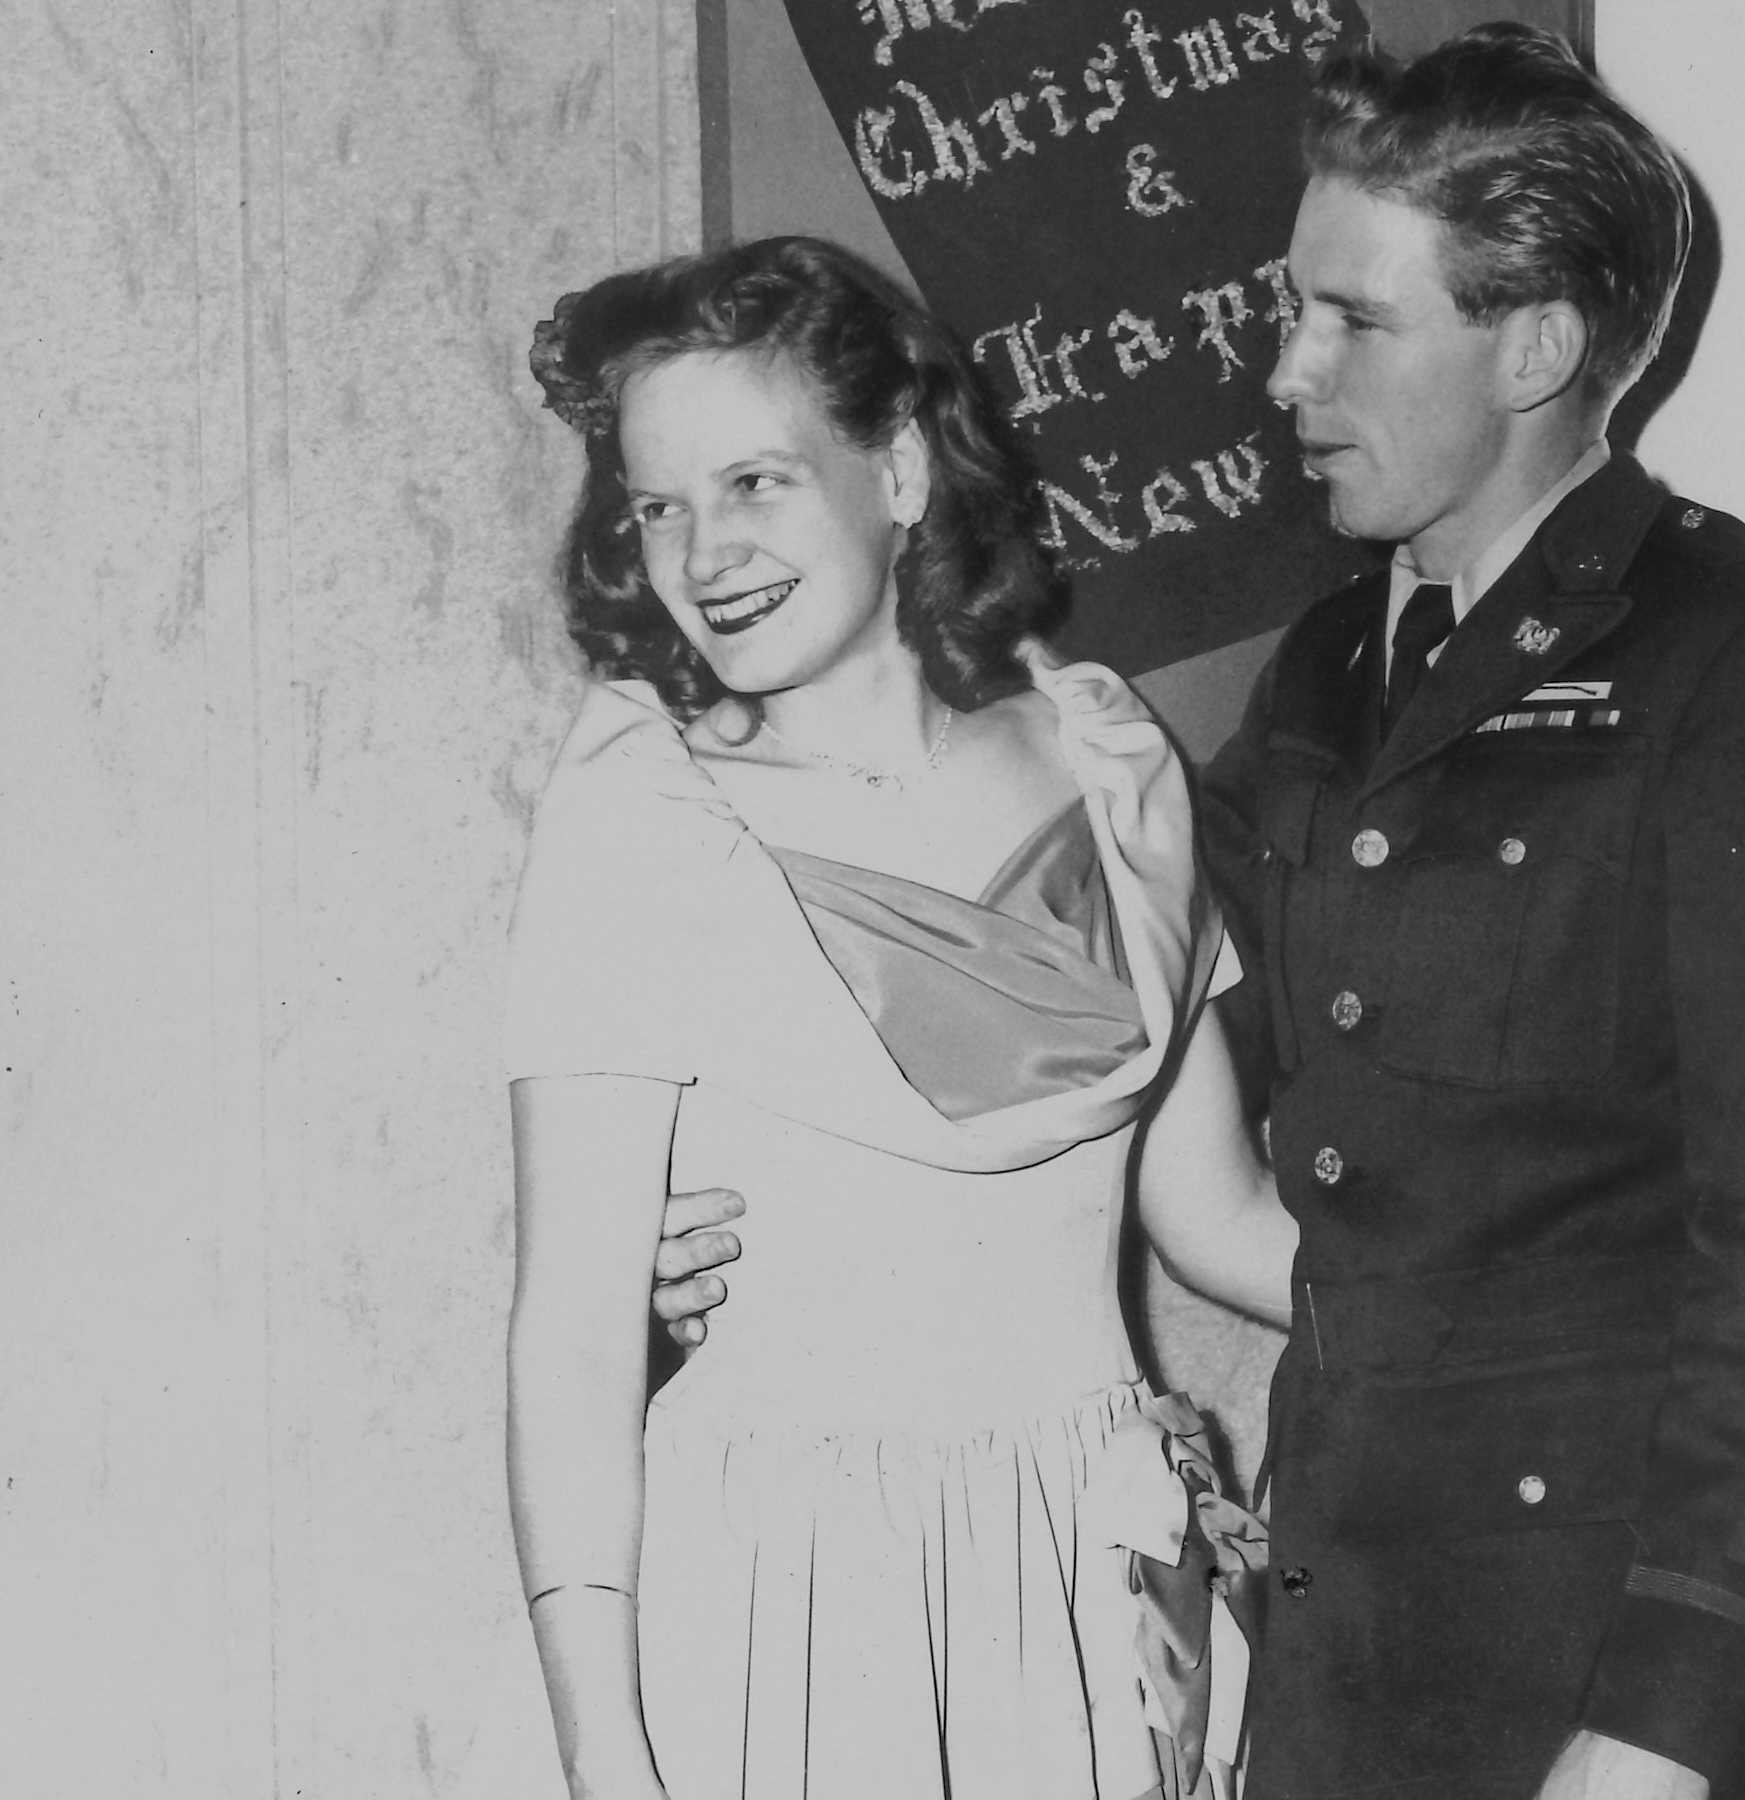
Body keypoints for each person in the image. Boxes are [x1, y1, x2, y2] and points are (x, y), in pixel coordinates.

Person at [1190, 25, 1745, 1800]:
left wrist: (1663, 1720)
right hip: (1338, 1651)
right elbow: (1136, 1019)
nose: (1286, 372)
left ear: (1536, 347)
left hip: (1593, 1688)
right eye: (1291, 308)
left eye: (1353, 321)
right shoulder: (1324, 667)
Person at [484, 236, 1296, 1800]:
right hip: (781, 1588)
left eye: (756, 482)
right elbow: (574, 1333)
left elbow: (1222, 1220)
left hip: (1080, 1569)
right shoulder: (643, 813)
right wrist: (603, 1748)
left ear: (904, 470)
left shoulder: (1104, 762)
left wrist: (1556, 1278)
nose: (704, 551)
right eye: (658, 505)